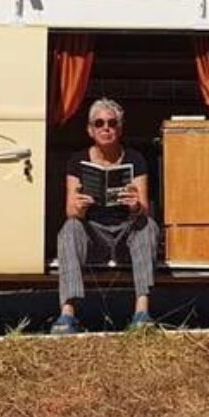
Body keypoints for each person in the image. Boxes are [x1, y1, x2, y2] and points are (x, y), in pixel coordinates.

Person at [53, 98, 159, 334]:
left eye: (112, 123)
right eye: (99, 123)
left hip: (125, 232)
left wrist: (135, 206)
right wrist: (79, 206)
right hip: (94, 232)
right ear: (90, 130)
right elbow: (70, 210)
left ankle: (142, 311)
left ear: (120, 128)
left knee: (147, 225)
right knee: (69, 228)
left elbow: (144, 207)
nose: (106, 128)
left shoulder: (135, 159)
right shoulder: (77, 161)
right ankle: (67, 314)